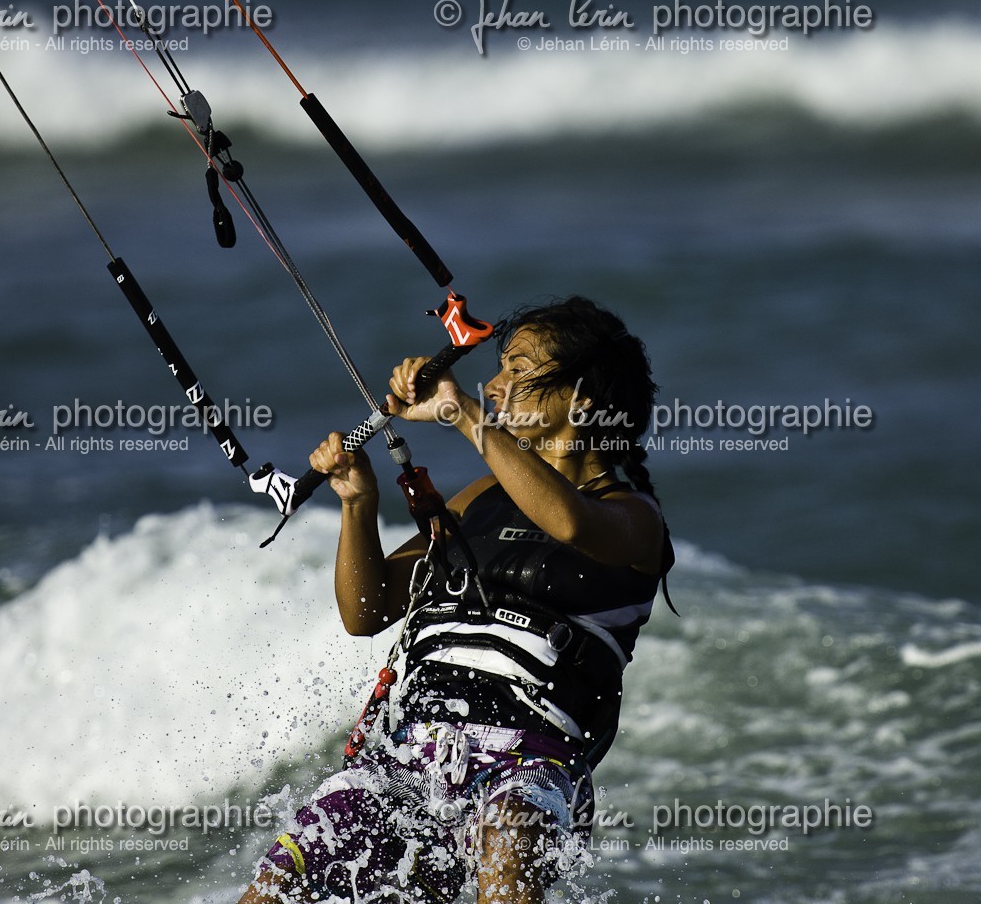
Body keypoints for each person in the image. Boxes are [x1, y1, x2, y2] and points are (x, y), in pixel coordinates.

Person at [239, 296, 673, 904]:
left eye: (517, 371)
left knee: (506, 849)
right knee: (279, 885)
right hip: (406, 760)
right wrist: (358, 504)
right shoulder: (477, 500)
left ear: (582, 400)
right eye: (497, 371)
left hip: (530, 765)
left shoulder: (634, 521)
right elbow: (366, 610)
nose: (494, 386)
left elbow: (570, 523)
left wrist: (465, 415)